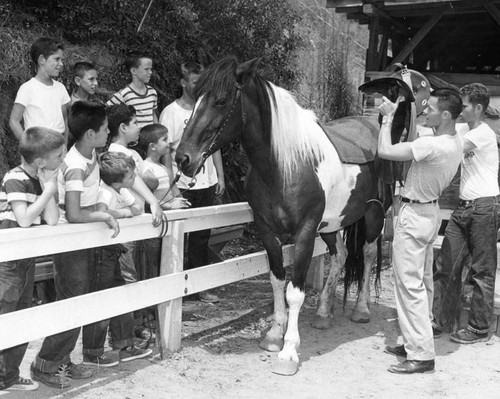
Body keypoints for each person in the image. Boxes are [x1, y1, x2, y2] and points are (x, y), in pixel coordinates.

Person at [379, 89, 464, 374]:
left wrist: (387, 119)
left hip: (414, 214)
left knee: (408, 285)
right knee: (423, 283)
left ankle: (421, 354)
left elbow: (386, 151)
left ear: (446, 115)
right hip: (430, 213)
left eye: (432, 109)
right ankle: (414, 339)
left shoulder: (433, 145)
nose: (427, 112)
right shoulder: (455, 142)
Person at [433, 83, 500, 343]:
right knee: (446, 264)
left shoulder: (483, 133)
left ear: (479, 108)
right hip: (464, 207)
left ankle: (478, 328)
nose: (461, 109)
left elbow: (450, 146)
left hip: (485, 206)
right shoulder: (463, 128)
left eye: (466, 105)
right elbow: (441, 129)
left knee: (482, 270)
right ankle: (441, 321)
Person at [0, 127, 65, 392]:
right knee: (5, 317)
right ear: (40, 160)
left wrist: (47, 185)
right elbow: (25, 219)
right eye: (59, 156)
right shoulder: (14, 178)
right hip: (7, 264)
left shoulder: (38, 178)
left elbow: (51, 219)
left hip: (25, 261)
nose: (62, 160)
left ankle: (8, 376)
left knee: (22, 318)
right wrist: (48, 191)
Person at [159, 62, 225, 303]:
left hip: (206, 182)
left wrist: (219, 175)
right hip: (183, 183)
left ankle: (200, 287)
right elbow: (164, 151)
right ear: (183, 82)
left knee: (201, 237)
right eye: (196, 83)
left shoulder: (205, 108)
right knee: (177, 238)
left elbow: (213, 143)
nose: (199, 88)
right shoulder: (171, 112)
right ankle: (174, 287)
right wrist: (170, 183)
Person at [89, 151, 152, 360]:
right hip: (101, 252)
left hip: (114, 250)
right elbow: (102, 212)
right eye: (131, 177)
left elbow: (137, 206)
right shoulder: (106, 192)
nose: (135, 180)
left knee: (119, 293)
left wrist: (126, 210)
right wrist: (123, 212)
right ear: (118, 181)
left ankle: (124, 345)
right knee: (102, 297)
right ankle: (94, 352)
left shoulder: (119, 191)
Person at [106, 104, 162, 284]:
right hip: (127, 222)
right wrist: (153, 199)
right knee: (130, 275)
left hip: (138, 216)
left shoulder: (131, 152)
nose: (139, 127)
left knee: (143, 272)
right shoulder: (116, 153)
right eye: (135, 123)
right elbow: (147, 180)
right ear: (123, 127)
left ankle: (146, 312)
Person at [136, 124, 190, 280]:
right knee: (152, 266)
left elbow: (169, 193)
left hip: (167, 225)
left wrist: (177, 201)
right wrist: (171, 206)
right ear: (152, 146)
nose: (169, 142)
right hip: (155, 228)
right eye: (165, 139)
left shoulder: (162, 168)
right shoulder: (146, 169)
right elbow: (148, 202)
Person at [9, 37, 71, 142]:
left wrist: (64, 145)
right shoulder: (27, 88)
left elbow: (65, 119)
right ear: (42, 60)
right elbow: (14, 121)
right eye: (57, 59)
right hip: (37, 145)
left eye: (61, 60)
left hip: (58, 146)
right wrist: (29, 147)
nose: (61, 64)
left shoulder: (60, 88)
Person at [106, 52, 158, 129]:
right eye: (146, 69)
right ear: (133, 71)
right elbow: (105, 112)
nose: (150, 72)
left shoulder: (152, 92)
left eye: (151, 69)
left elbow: (153, 115)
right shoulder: (123, 94)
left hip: (151, 138)